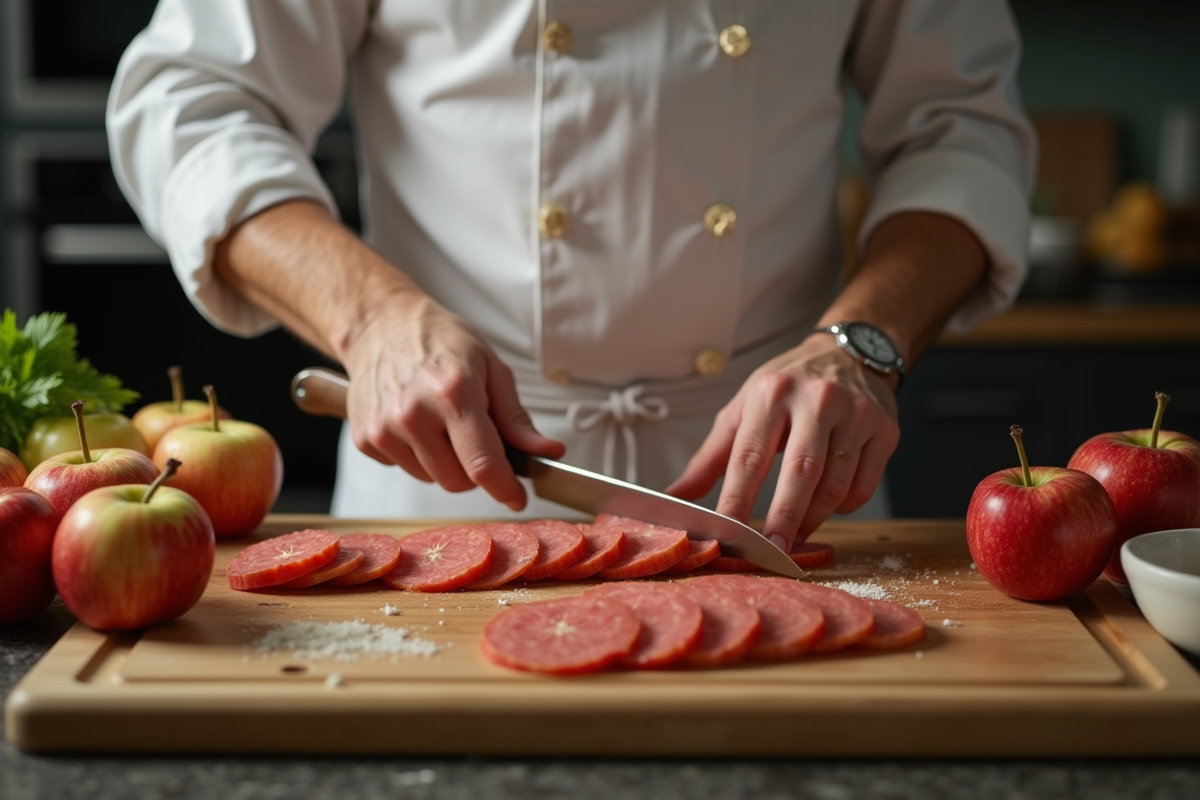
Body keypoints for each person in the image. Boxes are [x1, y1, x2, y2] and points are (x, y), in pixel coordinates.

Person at [107, 1, 1035, 554]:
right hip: (455, 476)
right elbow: (192, 101)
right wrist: (371, 318)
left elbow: (960, 130)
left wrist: (860, 346)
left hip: (783, 482)